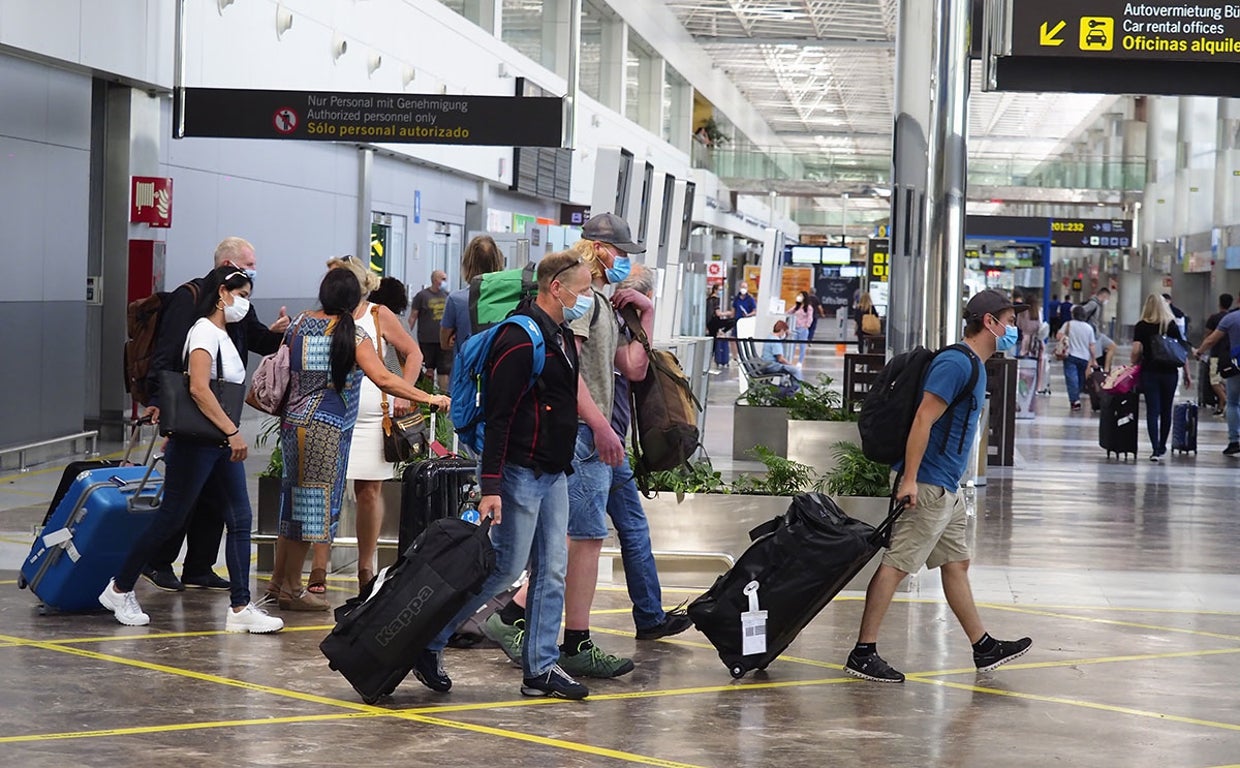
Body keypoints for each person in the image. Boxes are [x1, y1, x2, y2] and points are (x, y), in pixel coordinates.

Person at [411, 250, 592, 700]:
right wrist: (490, 486)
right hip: (518, 473)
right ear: (557, 288)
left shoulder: (562, 336)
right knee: (504, 567)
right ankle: (430, 640)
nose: (588, 298)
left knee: (552, 571)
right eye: (584, 290)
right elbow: (500, 417)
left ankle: (540, 669)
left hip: (552, 472)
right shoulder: (518, 337)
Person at [482, 213, 647, 681]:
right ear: (599, 249)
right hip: (579, 438)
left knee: (570, 550)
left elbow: (631, 368)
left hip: (586, 440)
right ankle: (562, 640)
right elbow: (568, 376)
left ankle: (543, 648)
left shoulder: (599, 301)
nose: (624, 263)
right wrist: (600, 426)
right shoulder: (571, 309)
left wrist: (645, 314)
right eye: (620, 253)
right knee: (567, 547)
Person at [845, 289, 1032, 683]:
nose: (1014, 329)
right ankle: (863, 652)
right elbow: (922, 420)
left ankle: (983, 647)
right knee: (897, 566)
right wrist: (910, 478)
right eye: (1010, 321)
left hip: (948, 485)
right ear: (989, 322)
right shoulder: (955, 363)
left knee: (956, 563)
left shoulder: (976, 364)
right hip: (928, 483)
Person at [100, 267, 283, 633]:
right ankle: (119, 588)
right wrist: (233, 431)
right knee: (170, 518)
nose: (245, 303)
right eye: (242, 294)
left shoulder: (224, 333)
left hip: (215, 443)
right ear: (221, 294)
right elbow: (199, 389)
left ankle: (240, 606)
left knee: (240, 519)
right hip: (199, 442)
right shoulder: (202, 332)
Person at [270, 269, 449, 611]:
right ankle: (292, 589)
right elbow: (383, 377)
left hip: (294, 425)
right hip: (327, 428)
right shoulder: (352, 334)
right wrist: (428, 399)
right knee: (313, 510)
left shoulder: (299, 323)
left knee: (293, 505)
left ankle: (280, 583)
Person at [140, 236, 290, 593]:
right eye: (248, 263)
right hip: (194, 412)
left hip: (223, 412)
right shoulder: (189, 300)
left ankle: (200, 567)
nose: (253, 269)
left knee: (218, 503)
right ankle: (150, 565)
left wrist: (278, 336)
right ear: (226, 267)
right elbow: (167, 352)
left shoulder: (239, 303)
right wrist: (158, 399)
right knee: (182, 502)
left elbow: (256, 340)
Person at [292, 259, 425, 598]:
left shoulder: (379, 315)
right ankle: (319, 563)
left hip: (372, 416)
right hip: (332, 416)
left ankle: (366, 565)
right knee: (326, 493)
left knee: (369, 493)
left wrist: (405, 395)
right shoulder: (323, 319)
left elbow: (413, 353)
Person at [1132, 293, 1191, 462]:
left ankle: (1155, 449)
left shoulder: (1141, 326)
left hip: (1150, 372)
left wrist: (1133, 364)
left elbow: (1136, 350)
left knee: (1152, 411)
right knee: (1166, 411)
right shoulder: (1170, 324)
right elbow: (1182, 351)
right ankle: (1163, 445)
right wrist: (1187, 373)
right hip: (1170, 373)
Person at [440, 235, 505, 354]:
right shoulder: (509, 299)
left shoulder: (456, 300)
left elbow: (444, 343)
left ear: (467, 264)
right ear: (499, 262)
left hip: (466, 369)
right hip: (499, 369)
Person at [1194, 301, 1240, 455]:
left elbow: (1211, 340)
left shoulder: (1231, 318)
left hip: (1236, 365)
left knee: (1233, 402)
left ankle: (1234, 441)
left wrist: (1199, 352)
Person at [410, 270, 452, 391]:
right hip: (427, 339)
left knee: (444, 370)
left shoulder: (448, 296)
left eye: (445, 279)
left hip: (443, 339)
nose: (445, 282)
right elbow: (413, 316)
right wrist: (406, 334)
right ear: (435, 280)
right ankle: (427, 395)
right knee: (428, 369)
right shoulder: (422, 296)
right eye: (442, 279)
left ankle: (444, 396)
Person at [1055, 306, 1098, 412]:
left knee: (1071, 378)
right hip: (1084, 357)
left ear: (1073, 314)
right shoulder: (1088, 328)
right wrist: (1094, 359)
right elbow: (1091, 345)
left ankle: (1075, 400)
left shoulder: (1068, 324)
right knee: (1080, 379)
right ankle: (1076, 397)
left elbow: (1058, 336)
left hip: (1070, 356)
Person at [1202, 294, 1235, 416]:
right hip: (1230, 354)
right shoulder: (1232, 317)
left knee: (1214, 381)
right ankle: (1221, 406)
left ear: (1219, 303)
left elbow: (1208, 336)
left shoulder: (1214, 318)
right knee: (1226, 379)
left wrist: (1201, 350)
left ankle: (1226, 400)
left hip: (1216, 354)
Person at [760, 320, 802, 388]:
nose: (784, 334)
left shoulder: (770, 337)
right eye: (785, 332)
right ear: (782, 330)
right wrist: (790, 365)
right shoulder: (776, 341)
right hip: (772, 366)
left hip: (766, 364)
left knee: (791, 369)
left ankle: (790, 389)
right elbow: (780, 359)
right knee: (795, 370)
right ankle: (796, 390)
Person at [790, 292, 813, 366]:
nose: (799, 297)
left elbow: (810, 317)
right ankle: (791, 360)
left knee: (802, 346)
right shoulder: (797, 306)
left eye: (801, 296)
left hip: (803, 328)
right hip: (795, 328)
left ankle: (800, 362)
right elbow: (789, 312)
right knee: (792, 345)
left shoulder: (808, 307)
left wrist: (807, 325)